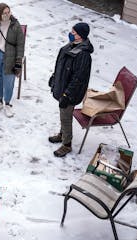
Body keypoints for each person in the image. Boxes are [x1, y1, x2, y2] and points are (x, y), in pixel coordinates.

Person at [48, 22, 94, 157]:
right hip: (63, 87)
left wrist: (67, 95)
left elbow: (78, 79)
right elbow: (60, 65)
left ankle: (66, 145)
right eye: (72, 31)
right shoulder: (70, 47)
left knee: (66, 116)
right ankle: (62, 134)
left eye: (74, 33)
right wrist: (54, 77)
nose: (71, 34)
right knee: (63, 115)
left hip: (71, 92)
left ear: (81, 36)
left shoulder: (83, 55)